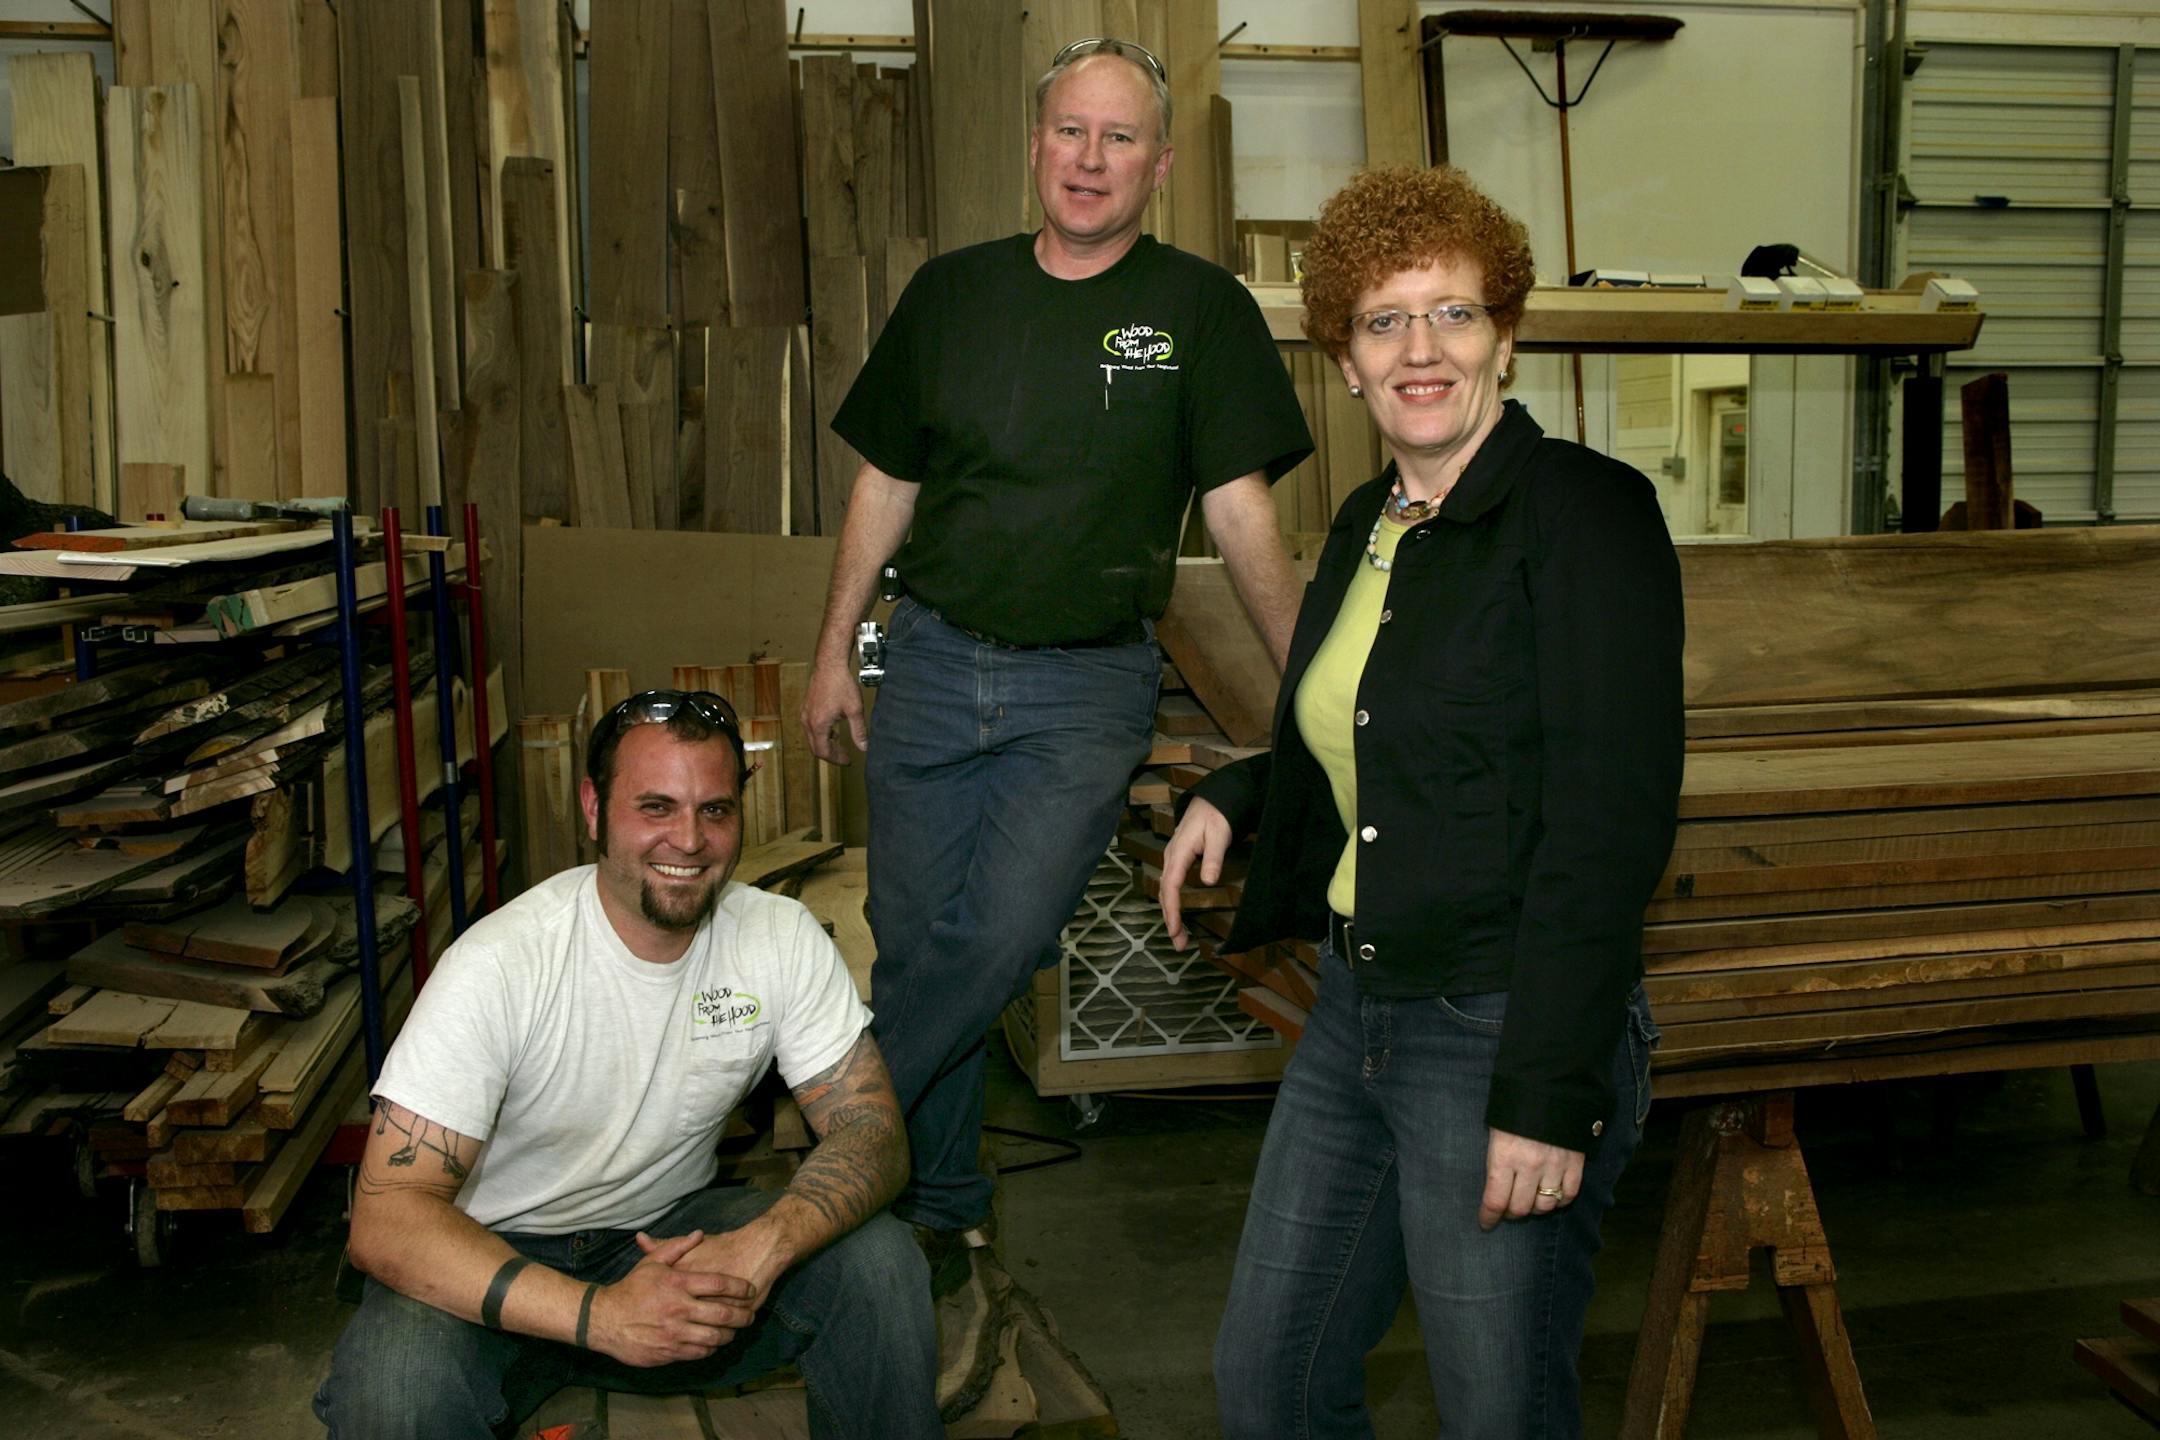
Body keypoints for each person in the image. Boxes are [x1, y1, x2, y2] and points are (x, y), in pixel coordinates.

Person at [797, 31, 1314, 1363]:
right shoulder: (953, 294)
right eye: (1070, 133)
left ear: (1158, 164)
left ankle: (806, 1171)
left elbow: (1242, 510)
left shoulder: (1200, 311)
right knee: (925, 953)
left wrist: (1317, 682)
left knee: (1000, 940)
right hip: (927, 665)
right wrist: (831, 644)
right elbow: (885, 483)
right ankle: (947, 1220)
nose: (1090, 159)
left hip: (1085, 685)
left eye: (1120, 138)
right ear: (1035, 146)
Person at [1160, 166, 1685, 1439]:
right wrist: (1240, 788)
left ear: (1506, 335)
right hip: (1355, 1013)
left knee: (1497, 1409)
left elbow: (1608, 827)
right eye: (1384, 321)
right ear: (1344, 360)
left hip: (1500, 1025)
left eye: (1451, 313)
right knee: (1269, 1382)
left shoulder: (1585, 517)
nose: (1420, 349)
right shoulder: (1365, 523)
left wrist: (1548, 1095)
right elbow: (1372, 726)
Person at [314, 691, 940, 1440]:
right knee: (397, 1390)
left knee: (881, 1264)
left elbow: (872, 1132)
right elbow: (385, 1222)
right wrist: (599, 1315)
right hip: (498, 1263)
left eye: (715, 810)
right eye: (655, 807)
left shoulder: (779, 938)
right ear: (592, 809)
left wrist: (764, 1244)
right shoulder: (500, 965)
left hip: (671, 1242)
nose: (689, 840)